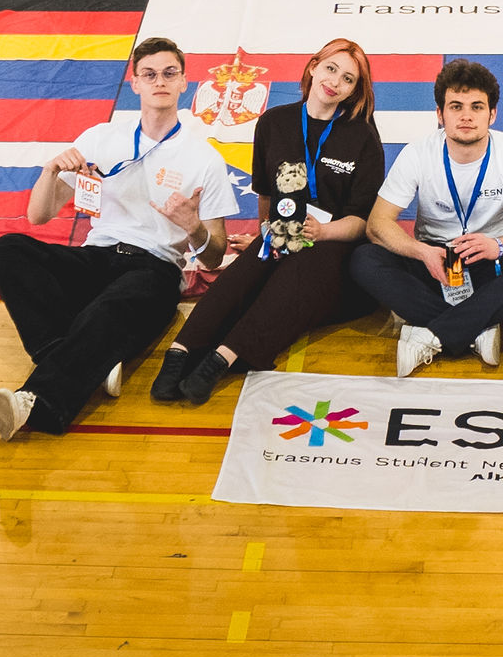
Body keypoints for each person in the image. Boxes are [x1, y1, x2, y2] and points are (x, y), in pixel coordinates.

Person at [0, 35, 236, 437]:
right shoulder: (101, 138)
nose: (160, 82)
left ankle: (37, 405)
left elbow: (213, 257)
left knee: (112, 307)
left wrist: (192, 226)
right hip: (96, 257)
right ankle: (87, 358)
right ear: (134, 82)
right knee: (7, 251)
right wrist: (50, 172)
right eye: (149, 74)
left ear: (184, 81)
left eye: (169, 73)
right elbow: (38, 216)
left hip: (154, 269)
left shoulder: (204, 158)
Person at [152, 40, 388, 407]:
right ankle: (179, 353)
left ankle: (221, 360)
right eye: (330, 69)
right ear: (312, 67)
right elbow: (265, 193)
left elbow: (361, 222)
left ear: (354, 90)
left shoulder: (363, 138)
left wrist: (323, 231)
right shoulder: (274, 122)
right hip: (283, 234)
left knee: (295, 274)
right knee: (245, 272)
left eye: (348, 79)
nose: (335, 82)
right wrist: (265, 231)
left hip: (333, 246)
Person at [349, 60, 503, 379]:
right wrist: (421, 252)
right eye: (456, 106)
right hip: (435, 263)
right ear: (440, 115)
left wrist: (498, 245)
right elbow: (378, 224)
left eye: (477, 106)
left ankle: (431, 334)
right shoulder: (418, 153)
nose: (466, 115)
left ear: (492, 114)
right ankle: (478, 328)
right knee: (364, 259)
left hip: (492, 263)